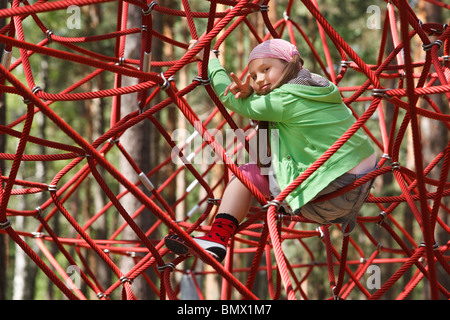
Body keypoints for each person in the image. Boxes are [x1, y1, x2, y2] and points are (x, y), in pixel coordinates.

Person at [164, 39, 376, 263]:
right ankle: (224, 235)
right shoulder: (317, 87)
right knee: (268, 167)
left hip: (329, 192)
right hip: (360, 187)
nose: (260, 79)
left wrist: (210, 60)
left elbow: (229, 99)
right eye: (254, 76)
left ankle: (217, 238)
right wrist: (253, 94)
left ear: (289, 64)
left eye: (266, 69)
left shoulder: (284, 100)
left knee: (244, 176)